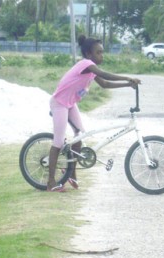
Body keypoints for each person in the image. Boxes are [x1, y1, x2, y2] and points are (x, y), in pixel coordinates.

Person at [47, 35, 141, 192]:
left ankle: (71, 173)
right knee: (58, 142)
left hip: (70, 104)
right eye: (98, 52)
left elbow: (105, 84)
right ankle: (50, 182)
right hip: (59, 104)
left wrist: (127, 84)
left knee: (80, 136)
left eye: (102, 52)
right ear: (89, 54)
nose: (101, 55)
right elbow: (105, 75)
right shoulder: (86, 64)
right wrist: (127, 77)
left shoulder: (91, 70)